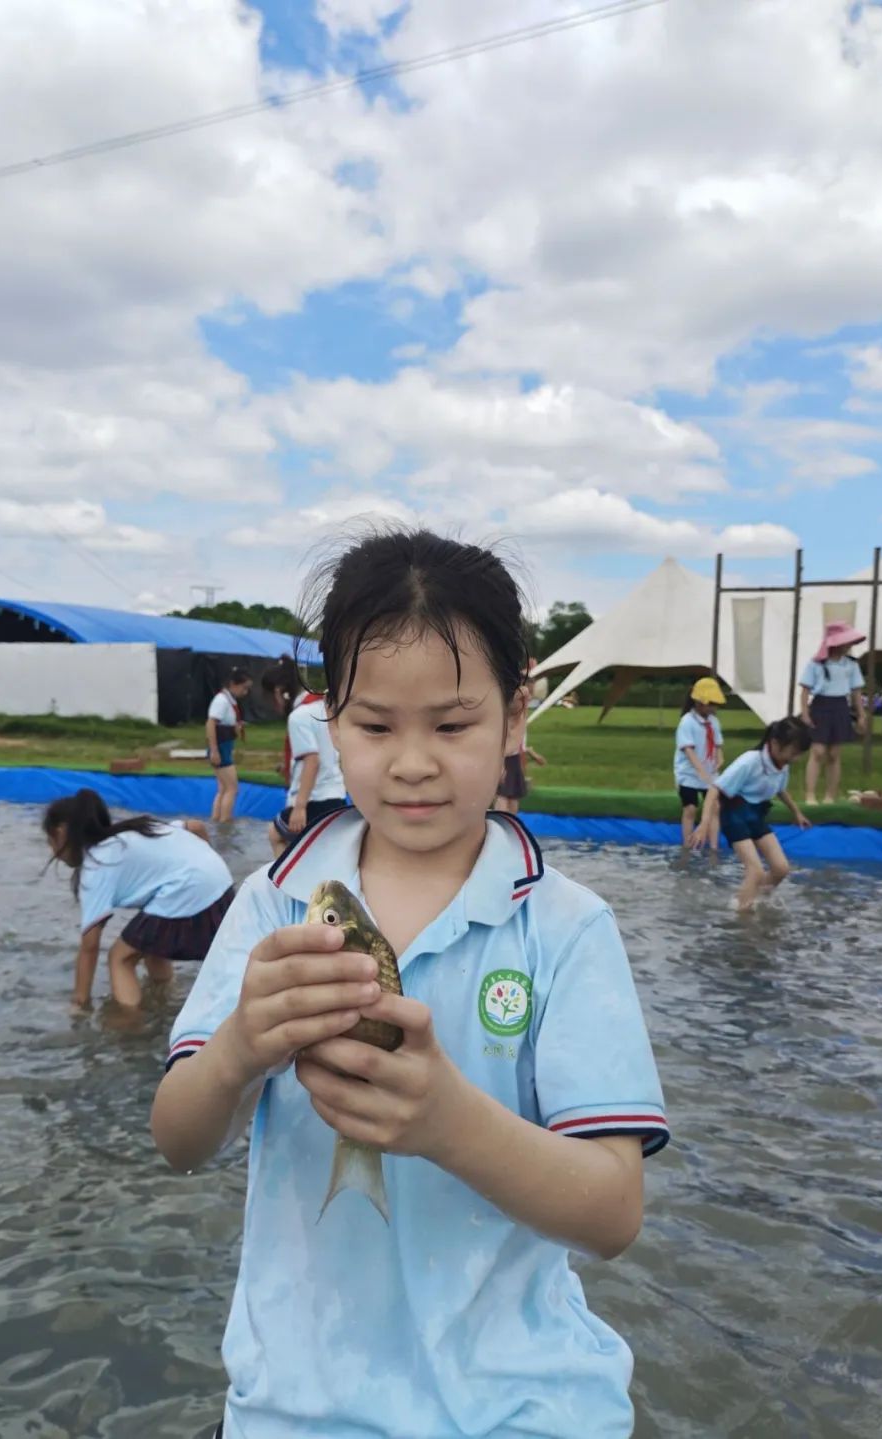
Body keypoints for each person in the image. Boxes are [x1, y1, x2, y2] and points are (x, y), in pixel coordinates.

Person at [151, 528, 669, 1439]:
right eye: (375, 725)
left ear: (515, 717)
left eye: (454, 724)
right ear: (330, 720)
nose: (414, 761)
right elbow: (181, 1139)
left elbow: (612, 1211)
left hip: (521, 1409)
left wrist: (446, 1123)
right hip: (294, 1409)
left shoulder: (564, 926)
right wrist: (236, 1049)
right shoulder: (276, 906)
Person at [42, 788, 234, 1014]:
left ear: (61, 832)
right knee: (152, 946)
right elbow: (196, 827)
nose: (51, 849)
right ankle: (165, 1003)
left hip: (190, 893)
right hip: (223, 887)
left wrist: (79, 1003)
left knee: (120, 958)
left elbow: (90, 947)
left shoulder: (97, 864)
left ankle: (131, 1029)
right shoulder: (133, 830)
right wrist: (206, 868)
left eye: (50, 840)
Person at [691, 717, 812, 910]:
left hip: (755, 815)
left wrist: (796, 812)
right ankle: (740, 912)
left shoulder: (781, 764)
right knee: (755, 871)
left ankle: (753, 898)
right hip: (735, 815)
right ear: (774, 743)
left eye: (799, 754)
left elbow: (780, 789)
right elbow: (715, 789)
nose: (795, 759)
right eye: (793, 752)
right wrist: (705, 824)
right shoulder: (749, 762)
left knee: (781, 868)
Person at [262, 656, 346, 860]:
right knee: (319, 856)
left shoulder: (298, 716)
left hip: (313, 801)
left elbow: (312, 760)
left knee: (275, 835)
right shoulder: (323, 707)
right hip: (335, 796)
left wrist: (299, 807)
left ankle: (284, 890)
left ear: (278, 691)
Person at [798, 621, 867, 805]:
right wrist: (805, 713)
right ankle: (810, 795)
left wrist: (861, 714)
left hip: (840, 707)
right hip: (821, 705)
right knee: (818, 751)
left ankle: (830, 796)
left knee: (834, 753)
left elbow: (856, 692)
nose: (848, 646)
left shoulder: (851, 665)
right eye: (846, 642)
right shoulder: (816, 664)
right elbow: (805, 690)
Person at [673, 677, 726, 848]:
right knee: (690, 808)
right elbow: (688, 750)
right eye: (711, 703)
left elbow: (717, 744)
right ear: (699, 702)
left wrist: (719, 756)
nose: (714, 708)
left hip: (709, 773)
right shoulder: (687, 722)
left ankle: (713, 847)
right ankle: (688, 845)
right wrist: (700, 770)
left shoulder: (714, 722)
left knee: (715, 807)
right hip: (688, 773)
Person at [206, 667, 252, 823]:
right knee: (232, 789)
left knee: (223, 789)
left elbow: (223, 724)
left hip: (224, 747)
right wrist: (214, 751)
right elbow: (211, 724)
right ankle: (225, 824)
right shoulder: (221, 700)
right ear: (233, 684)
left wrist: (235, 727)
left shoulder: (229, 701)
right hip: (221, 749)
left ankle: (216, 820)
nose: (245, 692)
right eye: (244, 687)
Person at [493, 737, 547, 814]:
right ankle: (507, 821)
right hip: (509, 756)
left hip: (508, 756)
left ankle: (503, 821)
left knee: (504, 795)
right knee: (508, 795)